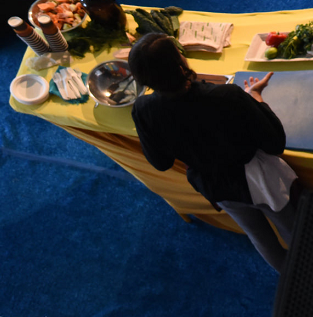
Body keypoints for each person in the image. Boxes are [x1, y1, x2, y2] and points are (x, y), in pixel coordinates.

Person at [128, 32, 300, 272]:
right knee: (292, 229)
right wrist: (256, 98)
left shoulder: (142, 109)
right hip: (259, 179)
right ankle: (308, 268)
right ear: (180, 66)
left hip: (215, 186)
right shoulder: (227, 96)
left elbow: (161, 162)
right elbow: (275, 143)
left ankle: (289, 276)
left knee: (259, 237)